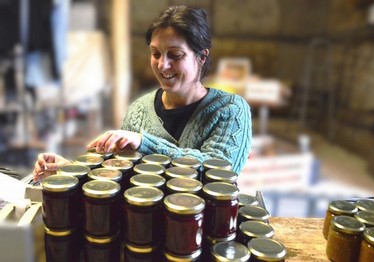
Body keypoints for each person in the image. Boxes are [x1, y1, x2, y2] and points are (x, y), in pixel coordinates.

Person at [33, 5, 252, 182]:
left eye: (175, 55)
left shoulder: (230, 110)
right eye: (156, 54)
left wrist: (144, 142)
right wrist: (69, 170)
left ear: (201, 57)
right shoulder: (139, 110)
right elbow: (118, 175)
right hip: (143, 230)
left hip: (199, 232)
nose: (163, 65)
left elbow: (219, 174)